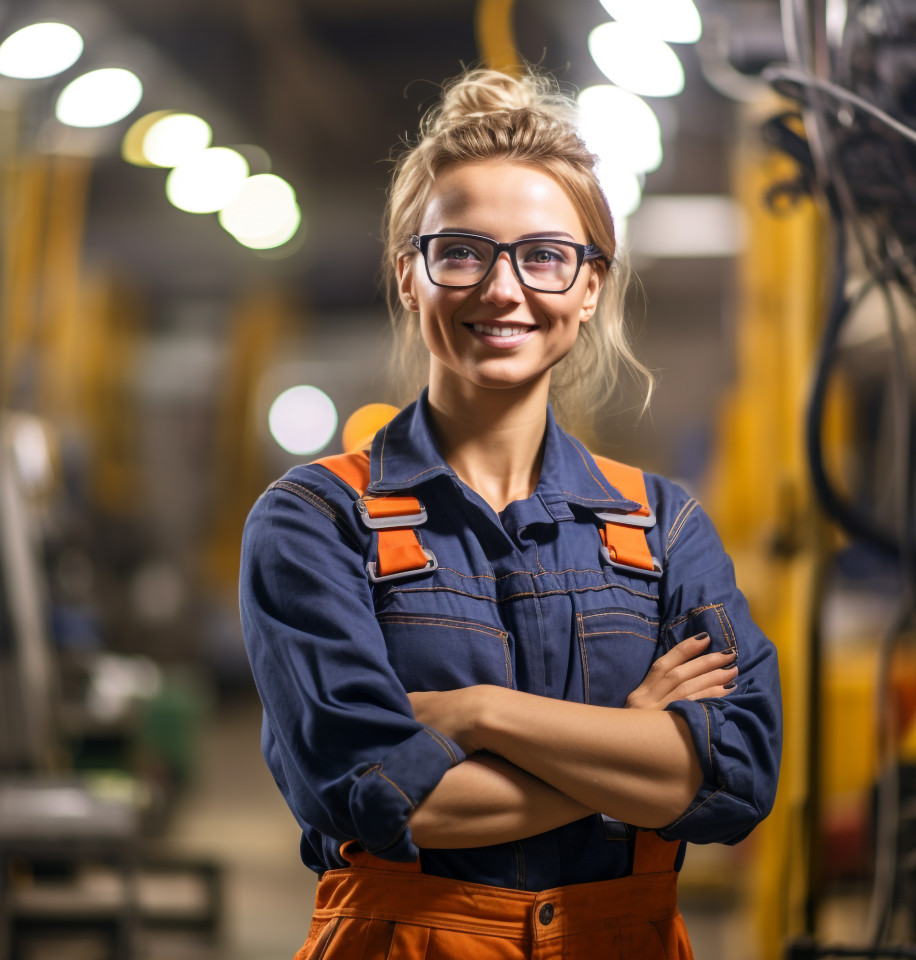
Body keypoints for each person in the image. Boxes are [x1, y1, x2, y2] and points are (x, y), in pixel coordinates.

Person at [239, 67, 782, 960]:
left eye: (543, 254)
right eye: (462, 251)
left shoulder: (663, 527)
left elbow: (734, 777)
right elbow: (387, 798)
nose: (503, 289)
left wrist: (483, 713)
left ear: (589, 286)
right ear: (409, 276)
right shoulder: (311, 525)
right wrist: (636, 748)